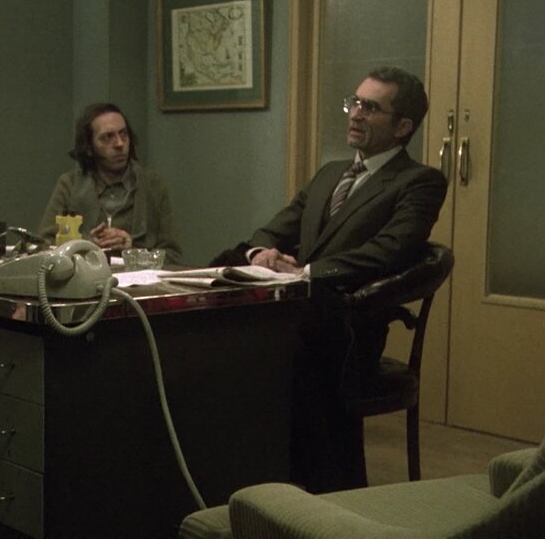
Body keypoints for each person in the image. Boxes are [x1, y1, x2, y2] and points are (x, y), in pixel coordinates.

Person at [211, 66, 447, 492]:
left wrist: (306, 272)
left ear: (403, 127)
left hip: (349, 328)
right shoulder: (329, 174)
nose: (355, 114)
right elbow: (275, 229)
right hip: (296, 316)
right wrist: (261, 253)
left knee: (268, 356)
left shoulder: (419, 182)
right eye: (354, 103)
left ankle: (313, 493)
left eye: (370, 107)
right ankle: (249, 485)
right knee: (223, 339)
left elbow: (391, 250)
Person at [37, 102, 183, 264]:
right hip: (85, 277)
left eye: (124, 134)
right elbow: (42, 249)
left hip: (135, 278)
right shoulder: (70, 185)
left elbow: (173, 256)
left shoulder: (152, 185)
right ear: (89, 147)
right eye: (108, 137)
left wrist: (132, 251)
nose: (120, 144)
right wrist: (84, 246)